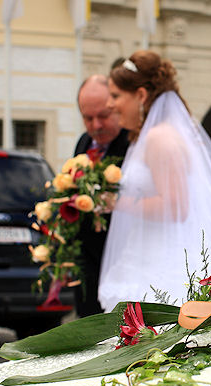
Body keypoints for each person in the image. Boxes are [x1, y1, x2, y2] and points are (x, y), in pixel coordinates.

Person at [98, 50, 211, 311]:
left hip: (163, 259)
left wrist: (119, 203)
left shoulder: (160, 138)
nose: (110, 105)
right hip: (146, 251)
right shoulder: (151, 135)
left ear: (140, 95)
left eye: (116, 96)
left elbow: (176, 206)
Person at [73, 74, 130, 317]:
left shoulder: (134, 143)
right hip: (88, 264)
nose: (96, 125)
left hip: (123, 262)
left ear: (115, 107)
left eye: (103, 116)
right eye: (88, 118)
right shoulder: (84, 143)